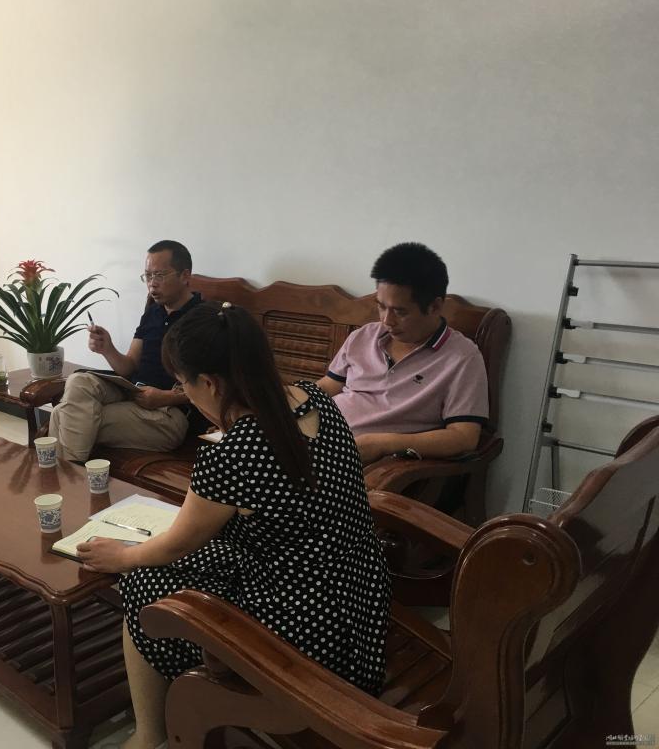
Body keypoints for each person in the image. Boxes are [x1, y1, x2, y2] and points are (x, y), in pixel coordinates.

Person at [78, 302, 390, 749]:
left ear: (210, 383)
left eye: (184, 385)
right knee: (204, 554)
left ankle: (148, 735)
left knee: (144, 581)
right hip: (362, 606)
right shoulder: (315, 398)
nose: (186, 394)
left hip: (308, 641)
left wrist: (122, 556)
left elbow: (175, 546)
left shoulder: (234, 453)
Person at [317, 242, 489, 465]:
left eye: (400, 311)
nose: (386, 321)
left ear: (435, 307)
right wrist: (288, 402)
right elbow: (329, 385)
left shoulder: (462, 358)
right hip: (318, 437)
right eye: (381, 306)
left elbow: (464, 437)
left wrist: (383, 444)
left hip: (366, 463)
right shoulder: (364, 336)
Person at [48, 240, 204, 462]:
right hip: (133, 393)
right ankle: (70, 474)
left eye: (159, 275)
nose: (152, 284)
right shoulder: (152, 313)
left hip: (169, 414)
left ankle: (66, 475)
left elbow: (215, 386)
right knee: (78, 381)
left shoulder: (203, 318)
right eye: (147, 276)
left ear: (185, 275)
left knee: (62, 414)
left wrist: (165, 397)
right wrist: (107, 348)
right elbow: (129, 366)